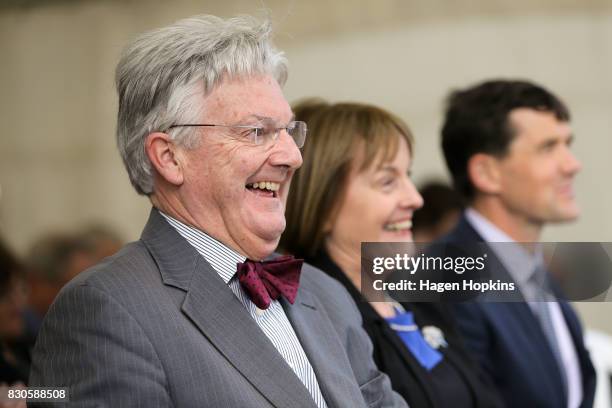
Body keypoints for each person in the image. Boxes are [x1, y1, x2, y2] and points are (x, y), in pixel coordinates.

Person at [29, 15, 406, 408]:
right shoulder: (106, 309)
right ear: (169, 157)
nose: (292, 157)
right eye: (256, 132)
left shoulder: (324, 294)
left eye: (290, 132)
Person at [282, 99, 503, 407]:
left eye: (407, 176)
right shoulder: (316, 322)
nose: (414, 199)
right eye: (388, 182)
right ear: (324, 203)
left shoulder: (421, 299)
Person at [438, 79, 596, 407]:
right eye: (548, 147)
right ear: (486, 173)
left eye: (568, 144)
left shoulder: (536, 271)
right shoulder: (446, 281)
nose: (572, 164)